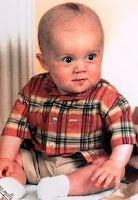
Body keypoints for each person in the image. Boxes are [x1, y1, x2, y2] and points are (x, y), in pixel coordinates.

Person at [0, 2, 136, 200]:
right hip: (38, 160)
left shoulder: (106, 97)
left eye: (90, 57)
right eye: (68, 60)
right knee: (12, 160)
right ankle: (12, 185)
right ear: (44, 62)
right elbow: (14, 127)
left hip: (82, 165)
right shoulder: (34, 89)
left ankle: (63, 186)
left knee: (108, 172)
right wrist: (5, 158)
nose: (80, 68)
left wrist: (115, 163)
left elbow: (124, 135)